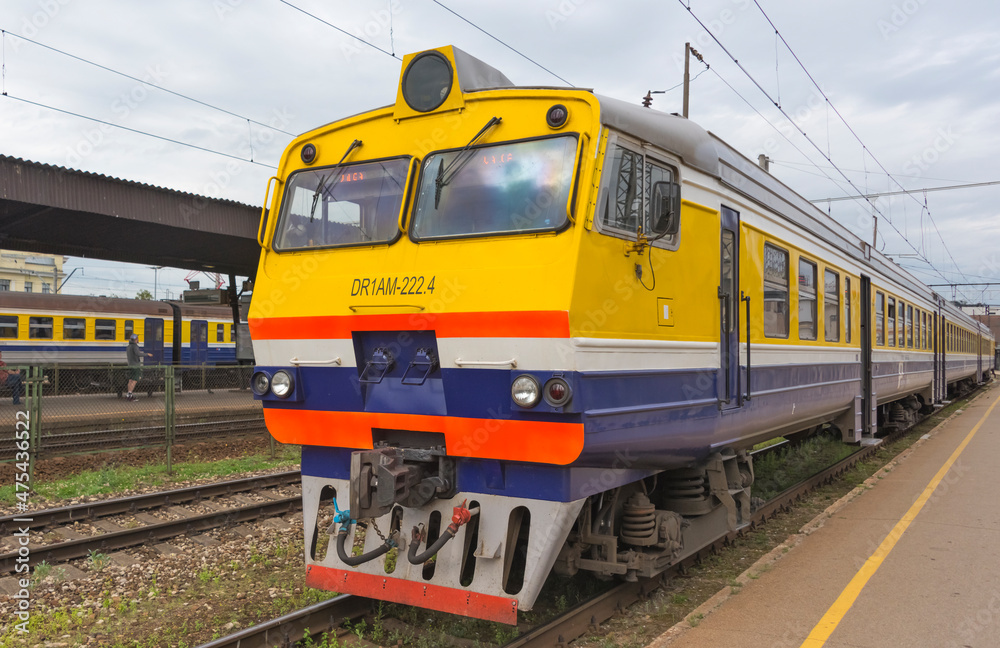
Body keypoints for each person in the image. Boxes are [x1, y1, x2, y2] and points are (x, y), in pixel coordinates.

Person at [125, 333, 153, 401]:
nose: (138, 339)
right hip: (135, 366)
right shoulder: (135, 346)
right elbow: (138, 354)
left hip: (130, 365)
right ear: (135, 339)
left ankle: (129, 395)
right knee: (134, 380)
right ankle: (130, 395)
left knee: (130, 380)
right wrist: (147, 354)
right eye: (137, 338)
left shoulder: (128, 346)